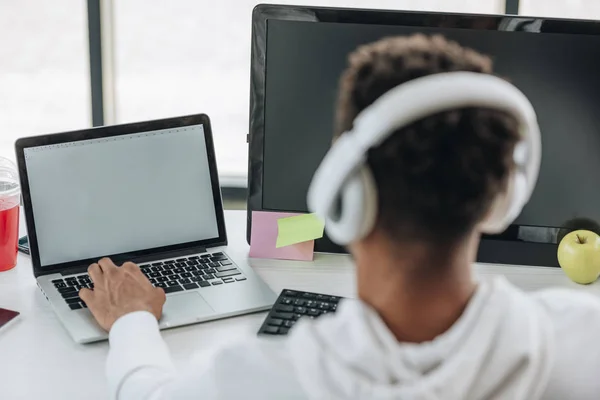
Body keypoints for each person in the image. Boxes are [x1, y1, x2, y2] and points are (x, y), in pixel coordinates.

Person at [80, 35, 600, 400]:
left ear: (347, 191)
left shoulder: (255, 380)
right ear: (503, 197)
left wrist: (131, 322)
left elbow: (144, 390)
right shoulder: (581, 342)